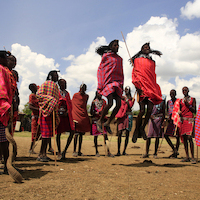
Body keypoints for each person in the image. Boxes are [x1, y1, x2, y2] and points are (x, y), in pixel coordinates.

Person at [131, 42, 162, 143]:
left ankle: (142, 128)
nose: (147, 48)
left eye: (148, 47)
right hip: (141, 88)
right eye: (145, 47)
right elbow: (136, 73)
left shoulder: (151, 61)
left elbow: (152, 75)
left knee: (149, 110)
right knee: (142, 111)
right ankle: (136, 131)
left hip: (151, 87)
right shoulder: (137, 60)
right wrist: (137, 86)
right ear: (141, 49)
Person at [96, 39, 124, 134]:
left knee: (119, 104)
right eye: (115, 45)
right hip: (108, 83)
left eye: (118, 45)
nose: (117, 47)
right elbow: (102, 70)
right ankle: (100, 120)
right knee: (110, 103)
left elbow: (121, 72)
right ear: (111, 47)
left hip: (117, 83)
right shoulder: (106, 56)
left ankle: (108, 122)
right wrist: (101, 85)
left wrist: (121, 84)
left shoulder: (120, 59)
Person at [36, 70, 60, 162]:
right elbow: (39, 94)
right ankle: (40, 155)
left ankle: (43, 154)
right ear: (51, 76)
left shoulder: (55, 86)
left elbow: (57, 98)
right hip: (45, 112)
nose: (57, 77)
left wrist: (54, 104)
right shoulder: (46, 84)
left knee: (48, 135)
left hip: (52, 113)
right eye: (55, 75)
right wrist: (51, 100)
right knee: (45, 135)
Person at [90, 91, 114, 157]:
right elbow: (91, 112)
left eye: (101, 94)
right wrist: (97, 113)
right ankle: (96, 152)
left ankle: (108, 151)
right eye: (98, 94)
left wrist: (102, 113)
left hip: (102, 120)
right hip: (95, 120)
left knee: (105, 136)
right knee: (96, 136)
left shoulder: (104, 101)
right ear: (96, 94)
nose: (100, 95)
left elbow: (106, 110)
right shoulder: (93, 102)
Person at [0, 50, 13, 174]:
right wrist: (5, 105)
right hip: (1, 108)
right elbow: (2, 89)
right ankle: (6, 167)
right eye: (5, 58)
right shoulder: (2, 70)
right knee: (3, 140)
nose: (7, 61)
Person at [56, 79, 74, 160]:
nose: (65, 85)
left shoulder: (67, 93)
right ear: (59, 84)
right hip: (58, 115)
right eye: (63, 83)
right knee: (58, 133)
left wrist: (67, 110)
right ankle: (59, 152)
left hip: (66, 116)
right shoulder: (57, 92)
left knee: (72, 131)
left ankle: (64, 151)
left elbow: (70, 104)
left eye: (65, 83)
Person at [72, 84, 91, 157]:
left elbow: (84, 105)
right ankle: (74, 151)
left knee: (81, 135)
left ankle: (79, 151)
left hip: (83, 116)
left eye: (84, 88)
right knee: (76, 134)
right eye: (81, 88)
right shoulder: (75, 95)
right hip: (76, 115)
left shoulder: (86, 96)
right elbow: (73, 105)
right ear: (79, 88)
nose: (83, 89)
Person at [115, 86, 135, 156]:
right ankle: (118, 151)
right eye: (125, 90)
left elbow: (130, 106)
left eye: (127, 90)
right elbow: (120, 107)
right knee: (119, 133)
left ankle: (124, 151)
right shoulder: (122, 98)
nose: (126, 91)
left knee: (127, 134)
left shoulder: (132, 99)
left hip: (129, 116)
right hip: (121, 116)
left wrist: (126, 100)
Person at [179, 87, 196, 164]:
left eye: (185, 90)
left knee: (189, 138)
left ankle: (192, 157)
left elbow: (194, 110)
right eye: (183, 90)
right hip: (183, 120)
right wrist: (179, 113)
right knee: (184, 138)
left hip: (189, 120)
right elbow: (180, 109)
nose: (184, 91)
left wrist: (188, 105)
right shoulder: (180, 101)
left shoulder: (193, 99)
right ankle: (187, 157)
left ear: (188, 91)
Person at [164, 89, 180, 158]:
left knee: (177, 136)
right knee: (166, 135)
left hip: (177, 120)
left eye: (173, 93)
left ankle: (176, 152)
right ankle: (174, 150)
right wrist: (167, 118)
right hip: (171, 120)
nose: (172, 95)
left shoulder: (179, 101)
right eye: (171, 94)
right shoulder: (168, 102)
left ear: (175, 94)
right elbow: (168, 111)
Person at [28, 83, 39, 154]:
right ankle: (31, 149)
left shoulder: (38, 96)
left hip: (40, 117)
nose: (37, 87)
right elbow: (30, 106)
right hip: (35, 117)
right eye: (35, 87)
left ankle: (49, 147)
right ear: (32, 88)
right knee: (34, 133)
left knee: (42, 132)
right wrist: (39, 109)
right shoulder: (32, 96)